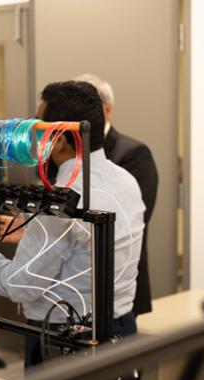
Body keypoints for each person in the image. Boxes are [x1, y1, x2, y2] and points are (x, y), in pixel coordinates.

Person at [0, 81, 145, 368]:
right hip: (120, 328)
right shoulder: (125, 181)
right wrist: (30, 229)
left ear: (62, 139)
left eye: (40, 127)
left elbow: (21, 285)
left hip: (66, 342)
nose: (34, 136)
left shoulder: (63, 199)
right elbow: (83, 246)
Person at [74, 74, 158, 317]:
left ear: (106, 110)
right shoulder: (66, 153)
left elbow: (128, 220)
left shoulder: (133, 153)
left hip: (116, 278)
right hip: (75, 284)